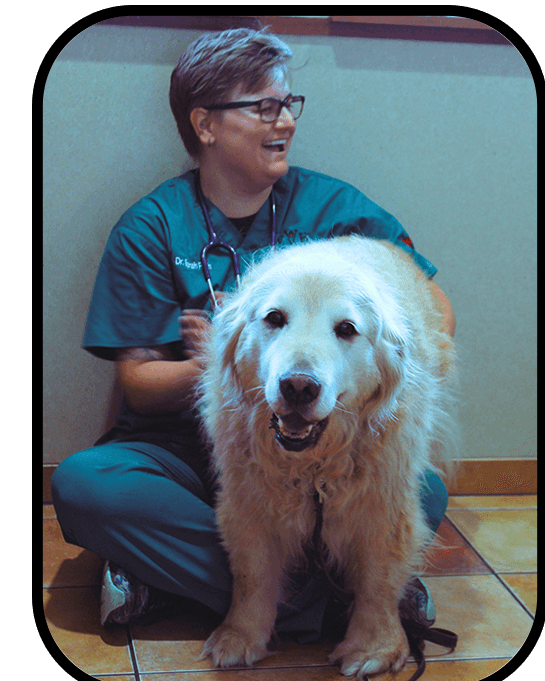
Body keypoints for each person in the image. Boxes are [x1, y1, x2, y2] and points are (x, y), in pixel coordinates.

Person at [51, 28, 455, 649]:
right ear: (205, 124)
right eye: (263, 107)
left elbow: (435, 315)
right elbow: (139, 384)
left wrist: (373, 370)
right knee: (84, 488)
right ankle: (339, 602)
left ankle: (167, 581)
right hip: (181, 450)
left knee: (421, 493)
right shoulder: (151, 227)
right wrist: (229, 362)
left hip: (326, 445)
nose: (285, 122)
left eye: (289, 104)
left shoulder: (336, 212)